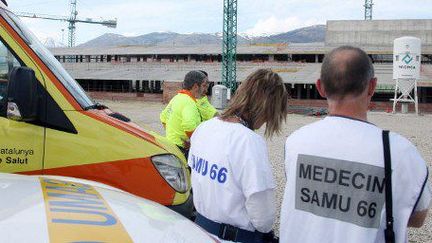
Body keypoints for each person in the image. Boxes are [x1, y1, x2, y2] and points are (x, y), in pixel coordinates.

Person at [280, 46, 431, 243]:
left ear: (320, 87)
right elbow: (417, 217)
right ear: (372, 86)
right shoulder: (401, 153)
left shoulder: (295, 142)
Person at [188, 69, 289, 242]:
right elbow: (263, 217)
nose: (266, 122)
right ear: (266, 107)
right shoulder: (249, 141)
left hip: (200, 231)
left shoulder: (204, 128)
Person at [160, 70, 206, 157]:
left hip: (171, 145)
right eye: (203, 85)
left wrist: (173, 134)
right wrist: (193, 142)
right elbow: (189, 126)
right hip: (182, 149)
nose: (205, 89)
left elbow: (163, 118)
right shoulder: (189, 102)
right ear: (196, 86)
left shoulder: (177, 98)